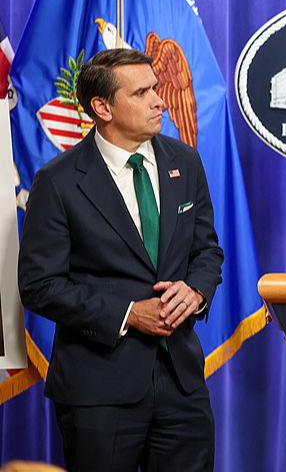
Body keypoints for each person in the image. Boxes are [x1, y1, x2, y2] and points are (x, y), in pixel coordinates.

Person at [19, 49, 222, 472]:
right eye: (143, 92)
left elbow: (206, 250)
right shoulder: (57, 182)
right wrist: (128, 314)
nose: (160, 101)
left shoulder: (185, 162)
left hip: (182, 384)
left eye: (156, 88)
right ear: (102, 107)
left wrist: (197, 290)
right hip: (98, 389)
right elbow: (40, 286)